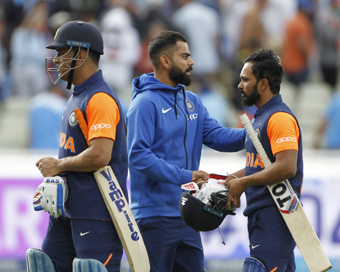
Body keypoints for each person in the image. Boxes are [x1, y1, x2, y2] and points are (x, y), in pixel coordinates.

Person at [125, 30, 246, 272]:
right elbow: (138, 155)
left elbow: (218, 137)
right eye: (185, 56)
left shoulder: (192, 101)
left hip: (188, 215)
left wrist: (255, 133)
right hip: (154, 218)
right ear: (165, 61)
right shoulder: (144, 104)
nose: (191, 62)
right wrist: (186, 176)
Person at [29, 21, 128, 272]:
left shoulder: (100, 99)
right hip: (68, 210)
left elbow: (100, 155)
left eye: (62, 52)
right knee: (43, 266)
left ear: (80, 55)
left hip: (97, 213)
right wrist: (58, 178)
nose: (56, 59)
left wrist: (58, 165)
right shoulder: (77, 96)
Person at [225, 48, 303, 271]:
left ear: (263, 84)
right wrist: (229, 179)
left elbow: (287, 167)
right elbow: (258, 165)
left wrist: (244, 183)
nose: (239, 85)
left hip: (275, 218)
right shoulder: (261, 117)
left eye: (245, 80)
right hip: (263, 218)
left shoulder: (279, 118)